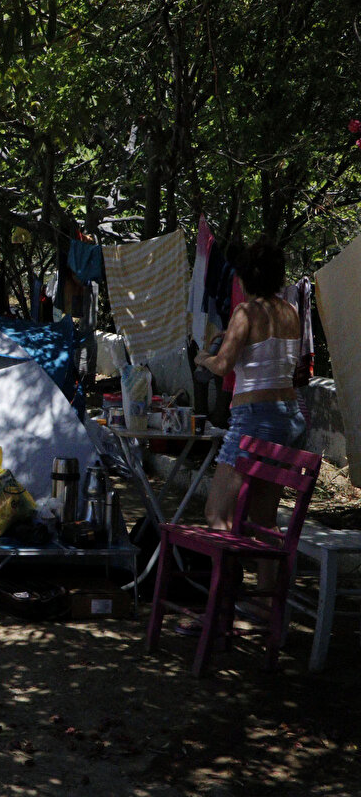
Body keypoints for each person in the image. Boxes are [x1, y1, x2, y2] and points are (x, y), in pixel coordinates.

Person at [192, 238, 305, 604]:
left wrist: (202, 359)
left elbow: (223, 365)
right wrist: (233, 341)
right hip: (287, 418)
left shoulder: (244, 312)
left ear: (244, 278)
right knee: (264, 520)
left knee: (218, 512)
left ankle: (220, 601)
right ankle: (266, 604)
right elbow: (272, 357)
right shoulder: (291, 311)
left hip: (252, 419)